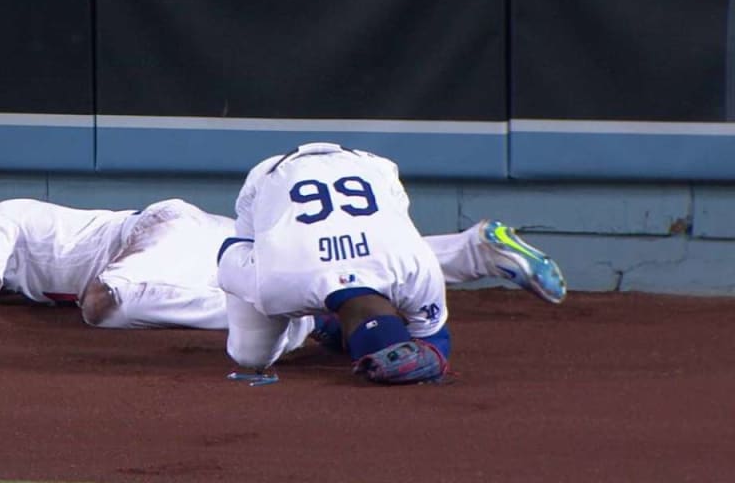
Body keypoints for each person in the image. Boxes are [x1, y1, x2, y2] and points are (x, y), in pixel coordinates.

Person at [0, 188, 565, 334]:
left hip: (148, 239)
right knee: (317, 257)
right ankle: (478, 249)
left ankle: (287, 321)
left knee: (104, 307)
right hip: (180, 236)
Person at [216, 142, 565, 385]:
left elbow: (434, 341)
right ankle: (473, 250)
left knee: (253, 355)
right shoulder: (278, 287)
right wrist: (262, 246)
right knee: (251, 357)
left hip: (366, 170)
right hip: (285, 176)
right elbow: (229, 258)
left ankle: (475, 251)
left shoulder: (415, 272)